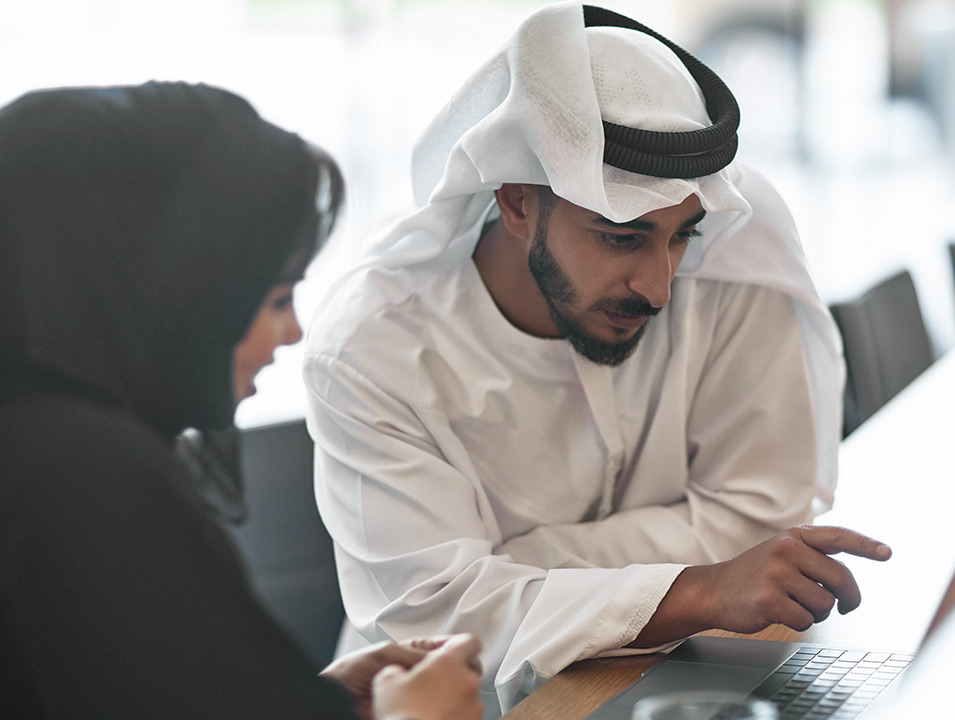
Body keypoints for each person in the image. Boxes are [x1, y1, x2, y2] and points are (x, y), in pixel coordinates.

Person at [302, 3, 891, 711]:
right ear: (518, 201)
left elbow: (765, 521)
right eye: (621, 237)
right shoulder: (374, 348)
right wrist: (699, 588)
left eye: (682, 236)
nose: (659, 286)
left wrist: (518, 568)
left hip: (693, 671)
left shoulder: (735, 261)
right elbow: (438, 624)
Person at [0, 81, 482, 720]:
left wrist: (306, 699)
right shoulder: (88, 477)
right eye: (275, 297)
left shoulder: (35, 440)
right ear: (176, 293)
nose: (294, 331)